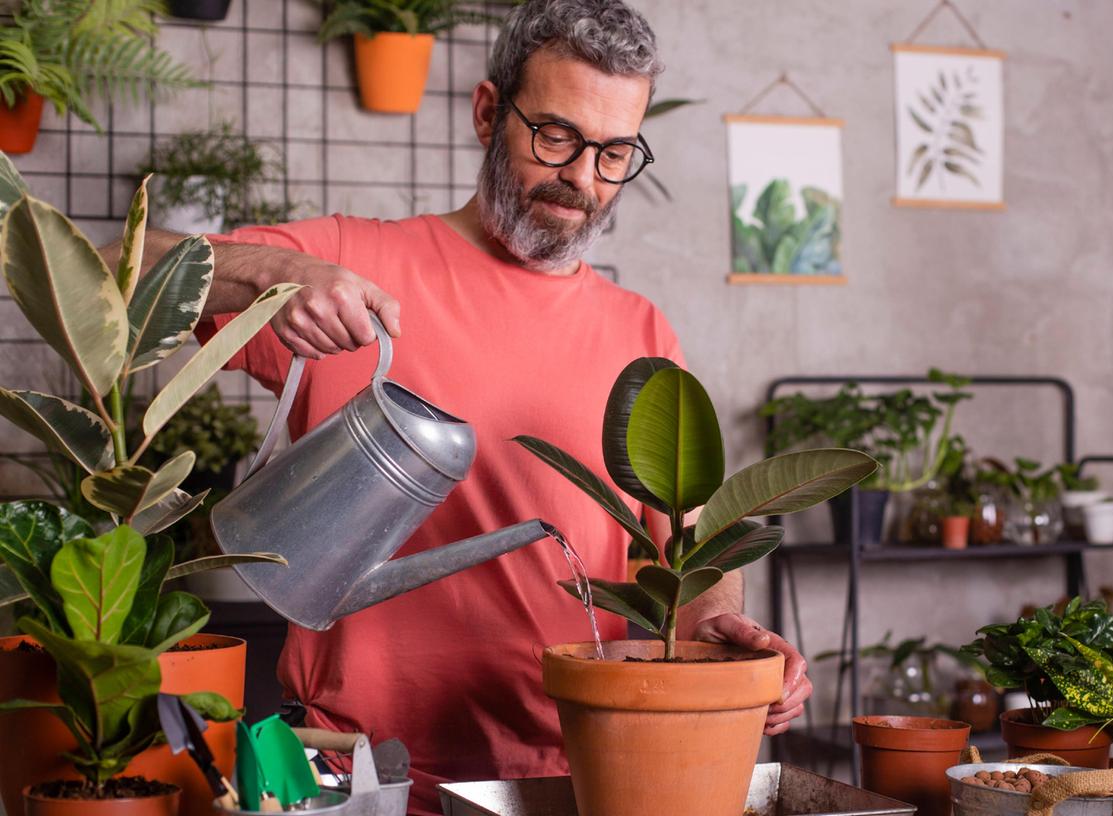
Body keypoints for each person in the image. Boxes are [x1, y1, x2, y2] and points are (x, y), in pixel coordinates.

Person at [105, 1, 811, 812]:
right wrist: (269, 275)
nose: (583, 179)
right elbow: (104, 270)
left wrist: (714, 621)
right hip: (361, 774)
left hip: (583, 771)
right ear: (487, 113)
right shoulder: (354, 262)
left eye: (614, 152)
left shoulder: (640, 331)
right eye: (556, 137)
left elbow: (687, 547)